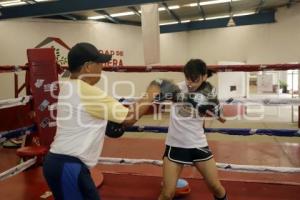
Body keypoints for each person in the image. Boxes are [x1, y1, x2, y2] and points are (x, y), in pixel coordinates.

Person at [43, 42, 164, 200]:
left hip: (62, 163)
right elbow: (128, 118)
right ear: (88, 67)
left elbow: (83, 113)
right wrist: (152, 92)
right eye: (99, 63)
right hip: (69, 166)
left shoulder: (68, 85)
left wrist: (103, 122)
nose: (102, 67)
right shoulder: (87, 91)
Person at [159, 59, 228, 200]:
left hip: (198, 144)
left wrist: (209, 105)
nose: (190, 83)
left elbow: (222, 118)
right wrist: (162, 89)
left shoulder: (210, 92)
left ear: (204, 76)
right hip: (175, 144)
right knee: (167, 194)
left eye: (194, 80)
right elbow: (155, 97)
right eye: (187, 78)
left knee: (216, 188)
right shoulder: (177, 88)